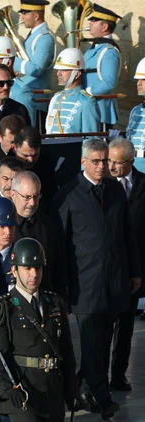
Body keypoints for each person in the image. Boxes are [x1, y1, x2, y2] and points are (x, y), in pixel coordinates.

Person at [51, 139, 140, 419]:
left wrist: (135, 271)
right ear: (84, 162)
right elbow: (59, 246)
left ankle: (79, 388)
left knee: (103, 339)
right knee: (91, 342)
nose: (104, 166)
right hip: (85, 283)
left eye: (106, 161)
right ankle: (102, 398)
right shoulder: (68, 195)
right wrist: (61, 285)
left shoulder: (115, 190)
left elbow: (127, 234)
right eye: (98, 161)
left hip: (115, 280)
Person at [0, 237, 80, 422]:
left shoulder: (54, 303)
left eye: (37, 268)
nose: (33, 274)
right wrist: (6, 389)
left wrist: (71, 389)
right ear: (14, 270)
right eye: (27, 268)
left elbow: (66, 352)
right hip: (22, 393)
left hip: (52, 393)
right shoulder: (3, 307)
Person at [107, 138, 145, 391]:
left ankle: (118, 374)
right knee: (102, 326)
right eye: (108, 160)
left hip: (134, 268)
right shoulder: (102, 185)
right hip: (108, 267)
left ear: (130, 162)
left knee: (126, 326)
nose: (111, 167)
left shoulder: (143, 184)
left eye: (117, 163)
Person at [13, 0, 55, 120]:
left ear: (36, 16)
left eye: (25, 13)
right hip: (23, 95)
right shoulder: (33, 35)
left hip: (36, 100)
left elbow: (36, 69)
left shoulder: (44, 37)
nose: (21, 17)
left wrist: (12, 61)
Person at [82, 4, 121, 129]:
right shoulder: (95, 47)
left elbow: (109, 82)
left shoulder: (109, 51)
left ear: (104, 26)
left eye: (94, 21)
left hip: (101, 110)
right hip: (89, 106)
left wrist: (86, 92)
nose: (89, 23)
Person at [45, 48, 99, 135]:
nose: (58, 73)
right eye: (58, 70)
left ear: (77, 74)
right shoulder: (56, 98)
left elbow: (90, 140)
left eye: (63, 70)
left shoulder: (87, 102)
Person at [126, 57, 145, 159]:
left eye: (143, 79)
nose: (138, 83)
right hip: (133, 166)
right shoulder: (135, 110)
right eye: (138, 79)